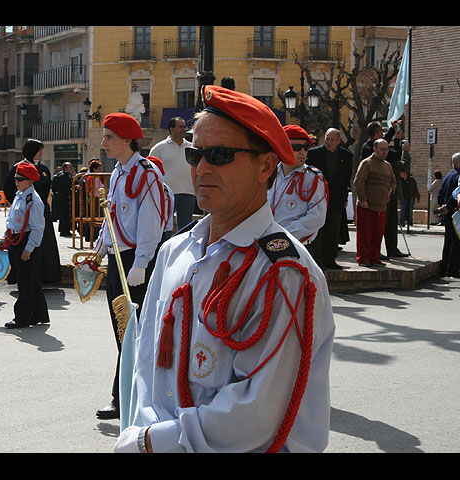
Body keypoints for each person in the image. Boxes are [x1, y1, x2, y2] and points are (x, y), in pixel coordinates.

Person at [114, 85, 334, 453]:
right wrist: (142, 431)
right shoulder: (174, 253)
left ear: (266, 165)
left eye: (219, 155)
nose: (201, 168)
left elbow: (255, 415)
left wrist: (151, 443)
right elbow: (147, 368)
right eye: (196, 154)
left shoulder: (285, 274)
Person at [88, 112, 166, 420]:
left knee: (132, 330)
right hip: (117, 257)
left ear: (126, 140)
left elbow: (151, 222)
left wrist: (142, 263)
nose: (104, 143)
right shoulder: (120, 171)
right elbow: (113, 218)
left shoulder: (146, 173)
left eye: (109, 137)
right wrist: (99, 248)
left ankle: (125, 398)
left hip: (133, 261)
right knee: (123, 331)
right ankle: (127, 395)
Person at [0, 162, 49, 328]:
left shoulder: (34, 200)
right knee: (29, 281)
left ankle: (22, 317)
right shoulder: (20, 195)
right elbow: (12, 221)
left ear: (31, 181)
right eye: (16, 178)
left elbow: (38, 228)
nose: (17, 181)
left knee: (25, 282)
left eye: (21, 179)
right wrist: (5, 239)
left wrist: (28, 249)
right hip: (16, 239)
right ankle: (39, 314)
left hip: (25, 241)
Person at [3, 139, 61, 284]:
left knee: (44, 243)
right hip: (26, 212)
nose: (41, 153)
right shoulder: (19, 167)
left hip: (41, 210)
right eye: (38, 150)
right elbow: (9, 189)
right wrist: (20, 206)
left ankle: (47, 276)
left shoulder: (44, 169)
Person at [268, 125, 328, 247]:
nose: (302, 152)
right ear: (282, 148)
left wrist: (283, 234)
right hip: (266, 242)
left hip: (296, 245)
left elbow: (317, 217)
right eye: (296, 147)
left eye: (305, 147)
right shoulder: (269, 173)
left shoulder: (313, 178)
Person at [306, 128, 352, 270]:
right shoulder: (314, 154)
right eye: (327, 138)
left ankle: (330, 259)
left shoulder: (346, 156)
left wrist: (344, 198)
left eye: (332, 139)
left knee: (333, 229)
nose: (329, 142)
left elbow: (346, 179)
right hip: (317, 198)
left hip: (336, 198)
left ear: (338, 141)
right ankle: (317, 259)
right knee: (318, 229)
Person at [352, 139, 396, 267]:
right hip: (367, 206)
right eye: (382, 149)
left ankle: (374, 257)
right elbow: (358, 182)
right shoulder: (367, 163)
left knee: (378, 235)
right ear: (375, 149)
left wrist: (391, 190)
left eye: (386, 149)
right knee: (365, 235)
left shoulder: (388, 166)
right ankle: (364, 258)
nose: (384, 152)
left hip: (381, 207)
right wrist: (363, 199)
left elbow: (393, 182)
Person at [149, 116, 195, 232]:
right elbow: (150, 171)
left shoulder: (192, 147)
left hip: (188, 192)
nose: (184, 129)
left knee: (185, 229)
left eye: (184, 127)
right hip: (166, 195)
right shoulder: (158, 148)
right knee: (164, 227)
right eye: (180, 127)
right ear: (171, 129)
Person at [437, 153, 460, 277]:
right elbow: (455, 194)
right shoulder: (458, 176)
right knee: (456, 242)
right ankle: (453, 270)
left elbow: (440, 195)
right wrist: (449, 207)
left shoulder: (448, 176)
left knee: (448, 241)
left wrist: (443, 206)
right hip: (454, 213)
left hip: (447, 212)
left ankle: (444, 268)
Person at [52, 162, 74, 237]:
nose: (71, 169)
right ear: (65, 168)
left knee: (65, 215)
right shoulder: (64, 176)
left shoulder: (62, 175)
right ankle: (64, 230)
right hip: (63, 197)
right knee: (64, 214)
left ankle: (65, 230)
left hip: (62, 197)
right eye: (69, 167)